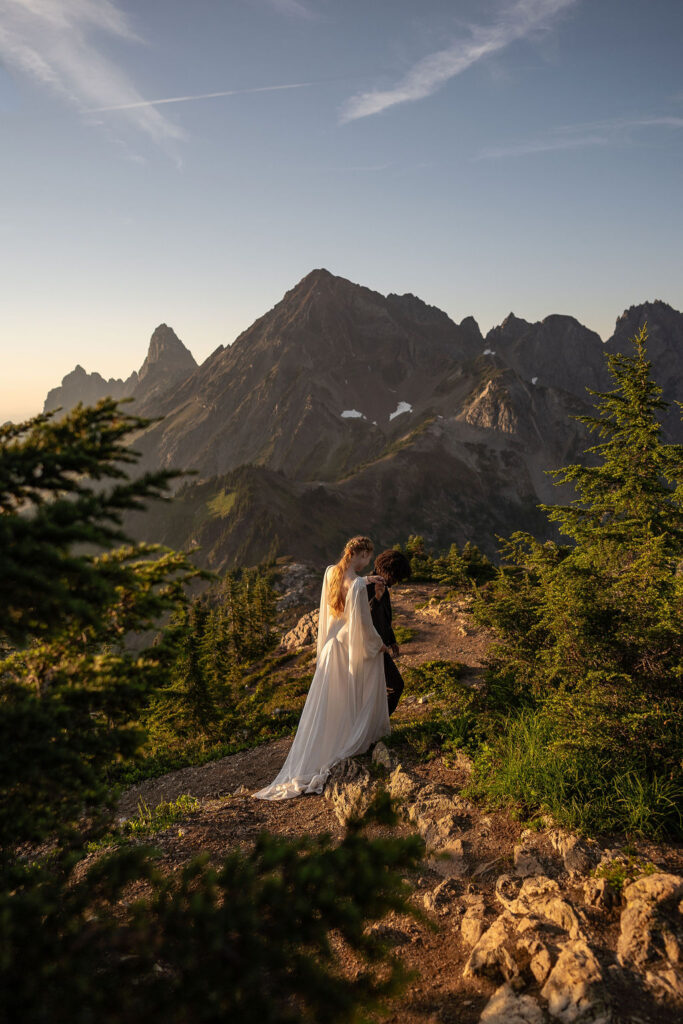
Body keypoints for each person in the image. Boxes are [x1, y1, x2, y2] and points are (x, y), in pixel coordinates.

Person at [253, 536, 391, 800]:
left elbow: (343, 597)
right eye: (366, 558)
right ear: (358, 553)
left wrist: (367, 581)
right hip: (345, 650)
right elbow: (363, 625)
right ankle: (358, 734)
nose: (367, 563)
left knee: (330, 705)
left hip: (330, 648)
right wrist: (380, 645)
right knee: (370, 667)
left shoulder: (331, 573)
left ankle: (329, 742)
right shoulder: (358, 587)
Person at [366, 549, 411, 715]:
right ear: (388, 571)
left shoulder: (382, 585)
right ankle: (375, 724)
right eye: (396, 577)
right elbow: (364, 618)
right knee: (396, 686)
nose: (396, 581)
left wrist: (392, 639)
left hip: (381, 646)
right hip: (371, 647)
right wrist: (377, 598)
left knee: (382, 688)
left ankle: (375, 723)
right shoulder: (368, 586)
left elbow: (385, 618)